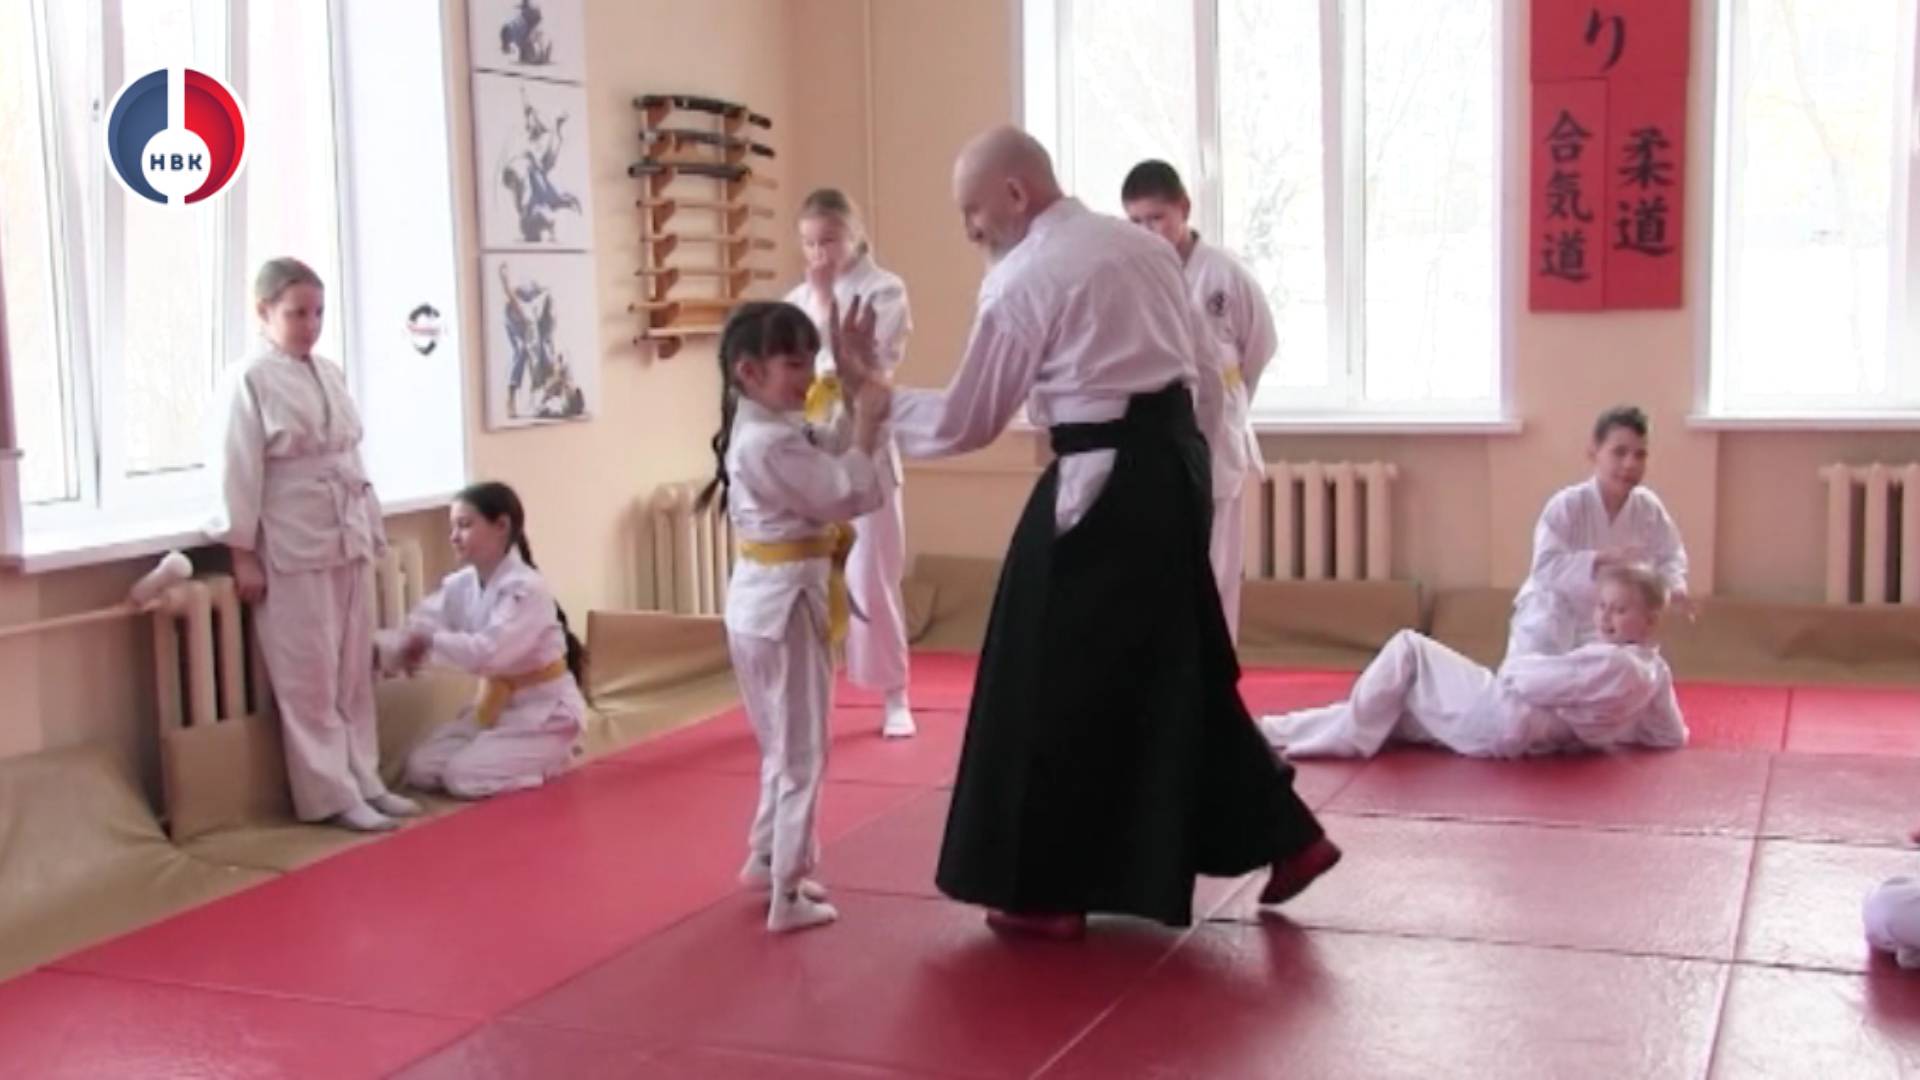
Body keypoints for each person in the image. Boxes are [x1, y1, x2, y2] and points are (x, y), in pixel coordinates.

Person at [830, 125, 1338, 939]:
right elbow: (1204, 377)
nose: (968, 229)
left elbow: (967, 420)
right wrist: (1200, 481)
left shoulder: (1025, 277)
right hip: (1177, 467)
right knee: (1174, 667)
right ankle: (1291, 839)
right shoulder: (1143, 249)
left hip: (1102, 480)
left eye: (971, 210)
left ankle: (1046, 892)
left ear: (1015, 194)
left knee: (1040, 674)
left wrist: (876, 397)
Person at [697, 301, 896, 933]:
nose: (807, 374)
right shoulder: (767, 442)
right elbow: (844, 490)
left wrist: (853, 391)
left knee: (781, 744)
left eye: (811, 359)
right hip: (781, 607)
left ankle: (766, 856)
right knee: (801, 750)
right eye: (793, 363)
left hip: (765, 603)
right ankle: (787, 889)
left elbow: (826, 448)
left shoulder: (770, 427)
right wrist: (868, 424)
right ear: (749, 372)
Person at [210, 257, 421, 832]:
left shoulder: (329, 372)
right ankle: (331, 792)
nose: (311, 325)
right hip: (291, 538)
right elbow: (237, 469)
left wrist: (371, 526)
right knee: (309, 673)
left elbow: (351, 457)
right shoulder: (248, 379)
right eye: (297, 313)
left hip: (345, 530)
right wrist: (242, 552)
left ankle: (365, 777)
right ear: (264, 312)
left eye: (319, 313)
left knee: (353, 667)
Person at [1260, 563, 1687, 759]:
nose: (1605, 618)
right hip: (1510, 728)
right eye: (1602, 606)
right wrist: (1611, 728)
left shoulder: (1614, 665)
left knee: (1408, 647)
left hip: (1500, 715)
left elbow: (1522, 679)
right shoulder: (1655, 672)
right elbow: (1669, 734)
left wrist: (1525, 658)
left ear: (1650, 620)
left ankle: (1348, 738)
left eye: (1620, 610)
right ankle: (1269, 731)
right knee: (1392, 709)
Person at [1121, 160, 1276, 643]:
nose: (1147, 231)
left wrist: (1233, 402)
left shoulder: (1224, 273)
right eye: (1135, 222)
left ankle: (1217, 671)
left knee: (1219, 566)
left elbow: (1260, 345)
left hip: (1218, 433)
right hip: (1159, 433)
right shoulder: (1133, 275)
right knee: (1164, 566)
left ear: (1184, 208)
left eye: (1157, 218)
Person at [783, 188, 919, 737]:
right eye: (809, 243)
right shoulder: (795, 299)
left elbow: (869, 365)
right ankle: (807, 695)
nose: (820, 253)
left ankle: (894, 693)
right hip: (810, 445)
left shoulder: (884, 289)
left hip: (866, 439)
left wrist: (825, 304)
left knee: (871, 573)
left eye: (830, 240)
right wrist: (815, 300)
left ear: (855, 236)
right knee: (803, 575)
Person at [382, 482, 587, 797]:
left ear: (501, 526)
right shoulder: (462, 584)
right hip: (494, 707)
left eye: (464, 525)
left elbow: (488, 654)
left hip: (544, 713)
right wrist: (397, 648)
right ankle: (505, 752)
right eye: (453, 527)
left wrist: (429, 640)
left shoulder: (527, 589)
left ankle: (554, 757)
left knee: (461, 778)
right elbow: (423, 619)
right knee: (421, 769)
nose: (454, 536)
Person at [1508, 405, 1692, 660]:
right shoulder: (1567, 505)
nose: (1630, 464)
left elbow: (1670, 556)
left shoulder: (1648, 508)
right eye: (1620, 452)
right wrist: (1599, 559)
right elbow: (1545, 568)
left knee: (1636, 666)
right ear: (1594, 452)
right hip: (1555, 617)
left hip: (1615, 625)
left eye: (1640, 455)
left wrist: (1673, 587)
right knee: (1537, 669)